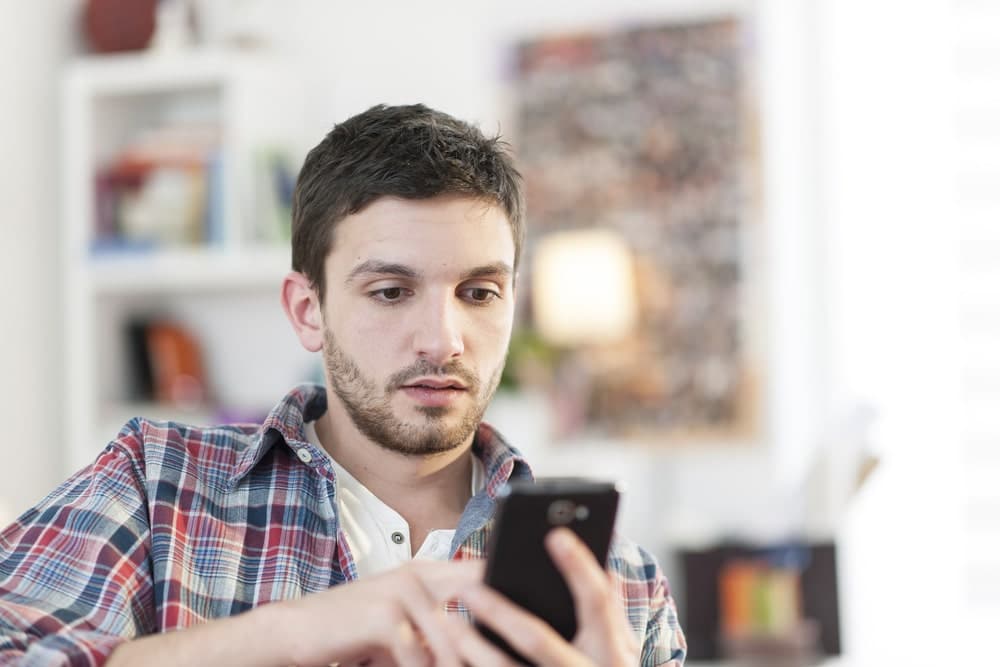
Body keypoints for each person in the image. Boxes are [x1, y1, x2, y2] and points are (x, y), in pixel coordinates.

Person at [0, 104, 686, 666]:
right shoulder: (156, 488)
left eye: (479, 292)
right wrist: (291, 632)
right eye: (391, 291)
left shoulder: (619, 587)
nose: (443, 338)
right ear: (308, 310)